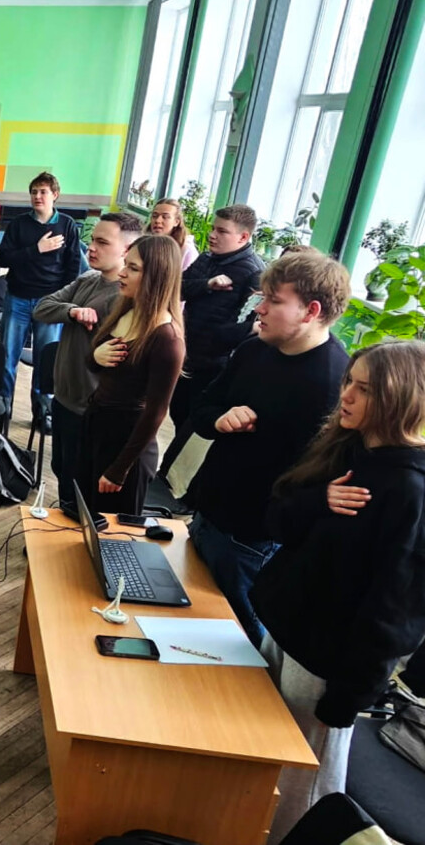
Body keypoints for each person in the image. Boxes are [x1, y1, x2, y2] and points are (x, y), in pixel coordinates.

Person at [250, 340, 425, 842]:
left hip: (324, 666)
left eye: (364, 389)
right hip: (280, 633)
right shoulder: (346, 448)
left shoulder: (410, 489)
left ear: (399, 398)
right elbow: (276, 521)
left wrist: (348, 696)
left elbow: (394, 611)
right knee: (259, 765)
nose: (345, 394)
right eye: (349, 381)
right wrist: (319, 501)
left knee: (300, 791)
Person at [187, 252, 351, 647]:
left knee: (240, 645)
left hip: (253, 540)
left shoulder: (334, 386)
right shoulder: (254, 349)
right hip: (208, 514)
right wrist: (220, 419)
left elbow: (317, 483)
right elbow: (201, 410)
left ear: (311, 311)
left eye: (274, 301)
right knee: (191, 627)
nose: (258, 309)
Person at [33, 212, 143, 511]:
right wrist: (72, 311)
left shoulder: (126, 299)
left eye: (102, 242)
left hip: (90, 409)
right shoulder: (88, 278)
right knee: (62, 470)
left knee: (78, 484)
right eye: (92, 240)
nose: (91, 248)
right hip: (64, 399)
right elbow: (42, 308)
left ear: (127, 250)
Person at [77, 234, 185, 514]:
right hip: (98, 429)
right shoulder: (125, 309)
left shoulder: (167, 338)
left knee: (112, 531)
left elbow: (156, 412)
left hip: (127, 447)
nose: (122, 273)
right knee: (84, 517)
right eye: (126, 264)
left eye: (133, 268)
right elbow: (95, 364)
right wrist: (95, 356)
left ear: (157, 276)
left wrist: (119, 469)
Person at [158, 203, 264, 479]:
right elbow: (176, 288)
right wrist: (207, 285)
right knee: (179, 414)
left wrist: (221, 336)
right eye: (213, 229)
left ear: (243, 237)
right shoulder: (207, 258)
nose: (213, 235)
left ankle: (179, 482)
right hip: (188, 355)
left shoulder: (254, 273)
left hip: (215, 366)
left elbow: (250, 328)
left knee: (196, 428)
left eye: (222, 231)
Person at [0, 172, 83, 420]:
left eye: (43, 192)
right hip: (18, 298)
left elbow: (73, 266)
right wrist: (36, 249)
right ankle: (2, 407)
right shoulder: (19, 224)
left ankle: (42, 411)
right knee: (7, 357)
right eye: (34, 192)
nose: (37, 196)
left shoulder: (67, 225)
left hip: (50, 303)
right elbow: (4, 259)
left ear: (55, 195)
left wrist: (62, 300)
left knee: (45, 361)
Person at [148, 198, 199, 270]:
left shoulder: (187, 251)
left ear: (176, 222)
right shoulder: (144, 243)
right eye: (154, 216)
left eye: (165, 217)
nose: (158, 220)